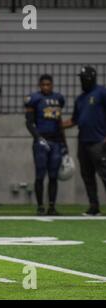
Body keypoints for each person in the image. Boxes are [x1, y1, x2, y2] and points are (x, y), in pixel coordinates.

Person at [63, 66, 106, 216]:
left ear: (90, 78)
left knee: (104, 174)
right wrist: (58, 125)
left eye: (83, 78)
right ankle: (94, 207)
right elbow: (75, 120)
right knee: (87, 176)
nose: (81, 81)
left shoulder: (101, 92)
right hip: (83, 142)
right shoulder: (80, 99)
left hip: (99, 141)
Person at [25, 74, 67, 216]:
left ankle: (52, 206)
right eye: (43, 85)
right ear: (39, 85)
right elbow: (29, 122)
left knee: (54, 176)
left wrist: (64, 144)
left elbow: (59, 122)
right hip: (41, 141)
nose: (45, 87)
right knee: (40, 175)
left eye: (48, 85)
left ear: (52, 85)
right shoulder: (34, 99)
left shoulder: (58, 99)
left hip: (56, 141)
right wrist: (38, 138)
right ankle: (40, 206)